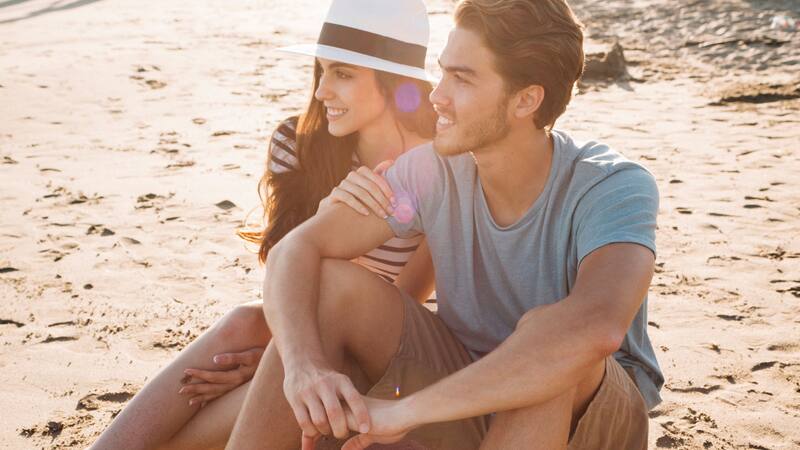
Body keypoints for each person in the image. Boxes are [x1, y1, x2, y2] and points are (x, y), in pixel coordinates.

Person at [227, 0, 665, 449]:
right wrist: (303, 364)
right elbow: (295, 248)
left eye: (462, 79)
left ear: (526, 99)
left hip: (586, 417)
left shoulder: (612, 186)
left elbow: (597, 329)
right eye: (443, 72)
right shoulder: (432, 170)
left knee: (548, 354)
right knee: (333, 284)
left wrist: (403, 412)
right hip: (458, 389)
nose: (436, 96)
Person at [89, 0, 439, 448]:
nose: (321, 91)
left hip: (370, 351)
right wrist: (285, 353)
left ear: (394, 81)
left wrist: (275, 362)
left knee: (264, 350)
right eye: (321, 71)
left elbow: (403, 300)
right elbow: (279, 270)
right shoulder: (297, 145)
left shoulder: (436, 171)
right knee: (242, 323)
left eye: (343, 74)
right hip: (295, 329)